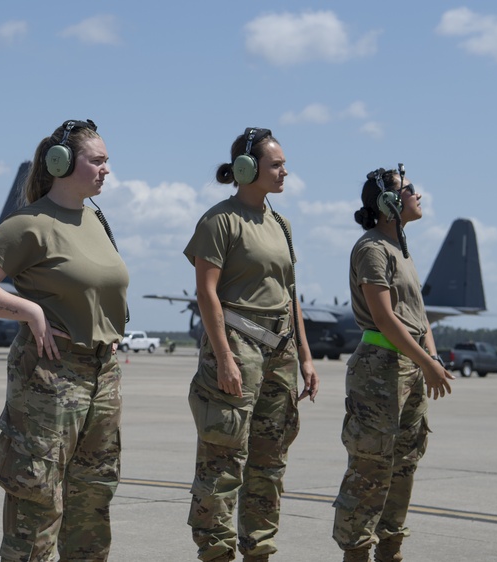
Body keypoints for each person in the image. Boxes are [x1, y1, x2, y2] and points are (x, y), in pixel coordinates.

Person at [0, 119, 128, 562]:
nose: (107, 169)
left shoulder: (96, 219)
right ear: (62, 163)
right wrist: (28, 310)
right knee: (37, 496)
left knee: (93, 495)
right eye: (99, 160)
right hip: (52, 374)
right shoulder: (29, 224)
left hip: (102, 373)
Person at [184, 128, 320, 562]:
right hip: (238, 344)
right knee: (223, 460)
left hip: (279, 351)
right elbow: (206, 294)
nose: (285, 171)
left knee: (270, 460)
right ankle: (216, 553)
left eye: (284, 164)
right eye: (276, 164)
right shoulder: (219, 221)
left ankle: (258, 550)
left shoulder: (282, 223)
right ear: (247, 169)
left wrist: (306, 355)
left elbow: (291, 292)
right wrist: (224, 357)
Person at [332, 166, 454, 562]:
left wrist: (431, 359)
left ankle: (391, 550)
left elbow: (418, 317)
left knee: (404, 464)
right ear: (388, 203)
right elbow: (385, 318)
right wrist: (427, 362)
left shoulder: (401, 249)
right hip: (379, 370)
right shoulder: (372, 249)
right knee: (370, 467)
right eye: (409, 189)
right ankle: (356, 552)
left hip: (410, 368)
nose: (418, 195)